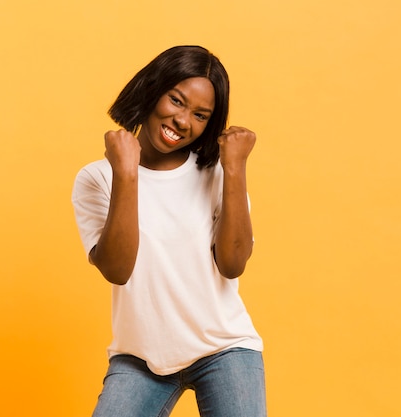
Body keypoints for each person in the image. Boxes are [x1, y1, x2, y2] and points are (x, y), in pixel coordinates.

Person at [72, 45, 266, 417]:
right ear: (152, 89)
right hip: (141, 358)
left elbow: (233, 263)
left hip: (224, 348)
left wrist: (236, 169)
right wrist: (126, 173)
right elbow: (117, 268)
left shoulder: (217, 173)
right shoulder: (96, 178)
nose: (182, 121)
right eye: (176, 101)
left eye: (200, 115)